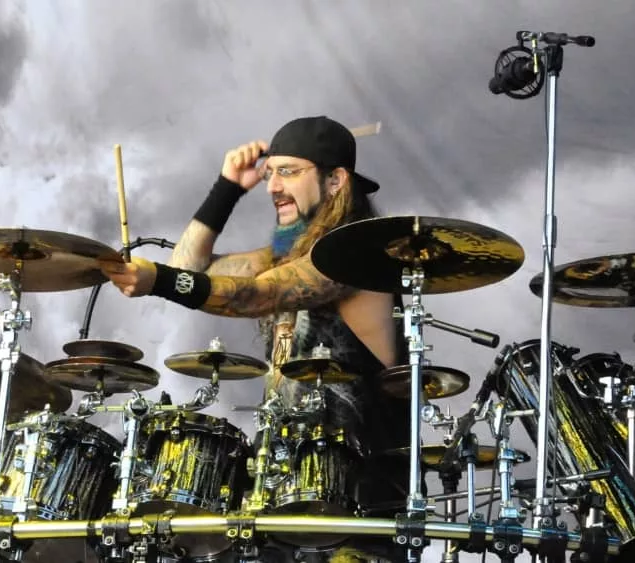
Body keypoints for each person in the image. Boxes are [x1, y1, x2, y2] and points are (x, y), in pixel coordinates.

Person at [99, 116, 413, 562]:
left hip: (357, 515)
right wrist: (226, 188)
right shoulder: (283, 256)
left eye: (289, 171)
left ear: (336, 180)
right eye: (270, 174)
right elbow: (189, 270)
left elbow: (255, 294)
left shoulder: (354, 254)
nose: (273, 188)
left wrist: (159, 281)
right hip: (287, 501)